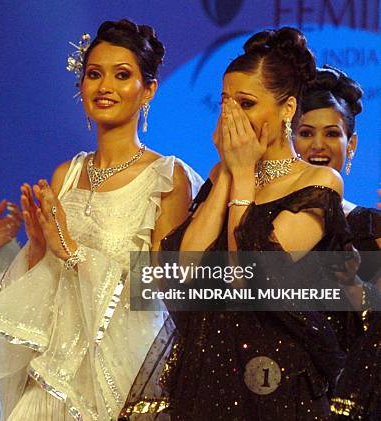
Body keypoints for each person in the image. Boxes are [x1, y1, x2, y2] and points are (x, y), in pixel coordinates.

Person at [0, 19, 203, 420]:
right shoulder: (65, 175)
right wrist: (38, 247)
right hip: (55, 370)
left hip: (124, 372)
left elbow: (158, 290)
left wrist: (70, 250)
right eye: (94, 75)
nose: (105, 86)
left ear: (149, 90)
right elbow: (46, 287)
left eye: (122, 75)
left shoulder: (167, 177)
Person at [123, 27, 352, 420]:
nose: (231, 117)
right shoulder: (222, 174)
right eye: (225, 103)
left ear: (286, 109)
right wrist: (229, 172)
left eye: (245, 104)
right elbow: (180, 268)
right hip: (207, 369)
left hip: (277, 379)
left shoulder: (317, 181)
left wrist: (244, 175)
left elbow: (251, 275)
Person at [294, 65, 380, 420]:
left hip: (350, 398)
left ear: (352, 144)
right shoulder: (254, 222)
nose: (318, 145)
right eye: (304, 132)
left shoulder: (370, 227)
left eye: (332, 133)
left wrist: (357, 288)